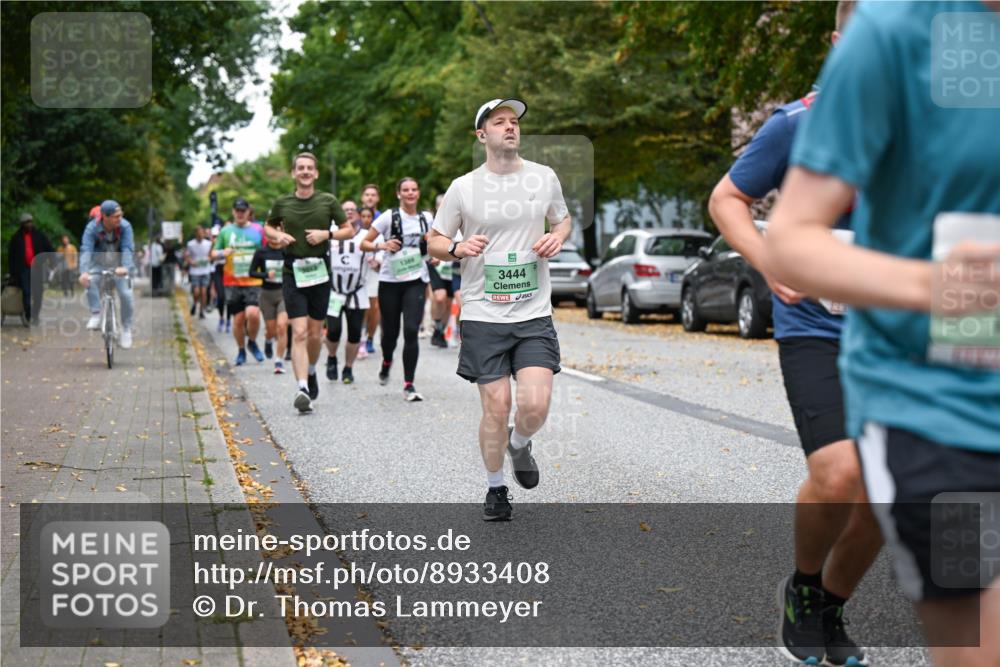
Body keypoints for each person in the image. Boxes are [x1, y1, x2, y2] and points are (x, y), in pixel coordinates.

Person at [765, 2, 1000, 666]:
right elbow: (790, 238)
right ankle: (809, 593)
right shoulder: (899, 31)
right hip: (947, 411)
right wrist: (947, 290)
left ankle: (825, 600)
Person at [707, 4, 877, 665]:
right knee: (840, 471)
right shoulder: (797, 122)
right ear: (839, 42)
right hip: (816, 324)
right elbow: (726, 198)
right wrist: (769, 257)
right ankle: (804, 589)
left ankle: (828, 606)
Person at [428, 98, 571, 521]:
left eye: (514, 122)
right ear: (482, 134)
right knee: (496, 406)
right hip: (482, 313)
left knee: (535, 406)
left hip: (532, 312)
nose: (510, 127)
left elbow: (562, 220)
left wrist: (558, 236)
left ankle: (520, 443)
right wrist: (456, 247)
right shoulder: (463, 187)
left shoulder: (544, 178)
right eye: (499, 122)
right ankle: (495, 489)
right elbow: (435, 241)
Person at [265, 152, 353, 413]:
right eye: (300, 168)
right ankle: (302, 386)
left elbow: (349, 229)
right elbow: (267, 227)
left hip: (319, 273)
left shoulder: (327, 201)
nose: (304, 172)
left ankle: (312, 370)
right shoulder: (283, 202)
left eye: (309, 168)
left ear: (315, 174)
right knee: (300, 332)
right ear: (293, 173)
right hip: (293, 271)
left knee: (316, 333)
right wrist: (278, 236)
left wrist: (326, 233)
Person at [361, 177, 434, 401]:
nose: (410, 193)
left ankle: (409, 383)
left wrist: (434, 256)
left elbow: (434, 244)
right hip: (390, 282)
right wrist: (382, 245)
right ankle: (386, 361)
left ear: (418, 193)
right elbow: (364, 243)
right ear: (398, 194)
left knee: (411, 329)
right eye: (405, 190)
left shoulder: (427, 218)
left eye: (414, 189)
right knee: (390, 334)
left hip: (416, 280)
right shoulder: (388, 217)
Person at [212, 197, 265, 366]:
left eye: (243, 211)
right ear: (233, 212)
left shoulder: (259, 230)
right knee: (238, 320)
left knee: (253, 314)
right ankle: (242, 349)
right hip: (232, 282)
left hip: (253, 281)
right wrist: (222, 253)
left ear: (249, 212)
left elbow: (267, 249)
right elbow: (213, 254)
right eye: (237, 211)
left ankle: (252, 341)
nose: (240, 213)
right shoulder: (226, 231)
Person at [324, 205, 371, 385]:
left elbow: (377, 254)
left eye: (353, 209)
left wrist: (375, 260)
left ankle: (348, 367)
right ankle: (332, 357)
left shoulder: (366, 235)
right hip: (334, 292)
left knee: (354, 334)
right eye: (345, 209)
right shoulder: (330, 233)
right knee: (333, 330)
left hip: (356, 291)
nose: (349, 212)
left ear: (358, 214)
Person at [78, 201, 135, 348]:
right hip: (99, 263)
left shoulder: (125, 227)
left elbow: (128, 248)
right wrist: (84, 272)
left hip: (119, 264)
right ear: (105, 216)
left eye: (121, 215)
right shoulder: (92, 228)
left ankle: (126, 329)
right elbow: (86, 249)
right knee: (90, 280)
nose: (120, 219)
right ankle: (96, 314)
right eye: (116, 216)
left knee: (126, 295)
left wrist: (125, 267)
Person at [248, 232, 289, 374]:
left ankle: (279, 361)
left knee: (282, 326)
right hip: (267, 294)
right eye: (271, 233)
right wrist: (266, 275)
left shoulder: (286, 250)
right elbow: (251, 272)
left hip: (284, 293)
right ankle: (268, 340)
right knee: (271, 329)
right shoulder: (261, 252)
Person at [8, 212, 55, 323]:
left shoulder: (39, 235)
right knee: (26, 292)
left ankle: (35, 315)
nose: (29, 224)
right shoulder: (16, 238)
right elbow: (12, 256)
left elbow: (49, 249)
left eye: (31, 222)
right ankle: (28, 314)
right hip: (23, 269)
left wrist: (53, 262)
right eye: (27, 222)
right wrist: (13, 273)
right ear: (22, 224)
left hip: (37, 268)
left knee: (38, 292)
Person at [427, 193, 456, 348]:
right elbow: (425, 244)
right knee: (440, 298)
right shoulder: (431, 223)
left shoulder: (459, 220)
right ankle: (436, 325)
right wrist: (434, 255)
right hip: (435, 267)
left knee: (449, 302)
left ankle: (440, 332)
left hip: (452, 269)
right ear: (438, 207)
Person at [360, 184, 383, 355]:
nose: (370, 197)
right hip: (360, 271)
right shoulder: (355, 220)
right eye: (367, 194)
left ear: (378, 198)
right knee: (362, 307)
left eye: (373, 195)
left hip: (378, 270)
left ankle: (370, 338)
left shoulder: (384, 219)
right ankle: (360, 336)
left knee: (375, 306)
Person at [185, 226, 213, 319]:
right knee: (196, 292)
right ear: (196, 234)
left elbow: (211, 255)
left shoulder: (208, 244)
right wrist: (191, 262)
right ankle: (195, 303)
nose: (201, 235)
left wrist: (208, 260)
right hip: (195, 271)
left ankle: (201, 311)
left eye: (202, 233)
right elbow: (187, 256)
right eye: (199, 233)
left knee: (204, 292)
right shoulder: (190, 244)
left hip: (205, 270)